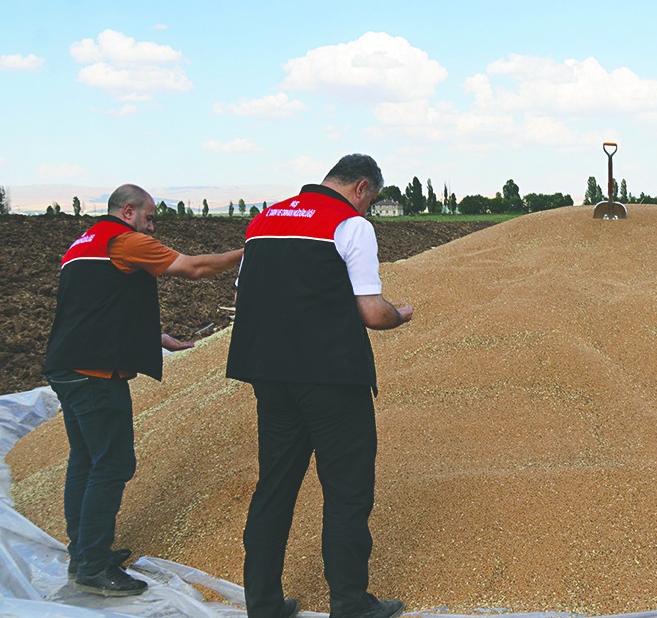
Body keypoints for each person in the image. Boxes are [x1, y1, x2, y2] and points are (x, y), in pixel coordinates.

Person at [227, 154, 413, 618]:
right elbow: (371, 311)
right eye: (370, 200)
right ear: (362, 187)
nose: (367, 209)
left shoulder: (264, 221)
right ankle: (349, 603)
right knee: (347, 490)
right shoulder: (349, 224)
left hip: (270, 376)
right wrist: (399, 315)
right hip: (332, 377)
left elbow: (245, 294)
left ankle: (263, 604)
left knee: (274, 487)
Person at [44, 184, 244, 596]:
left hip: (65, 365)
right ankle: (93, 567)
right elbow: (194, 268)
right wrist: (250, 251)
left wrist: (154, 336)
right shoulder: (123, 241)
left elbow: (94, 306)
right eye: (149, 218)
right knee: (113, 464)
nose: (152, 227)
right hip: (95, 374)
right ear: (128, 212)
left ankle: (83, 552)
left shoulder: (82, 245)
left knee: (85, 459)